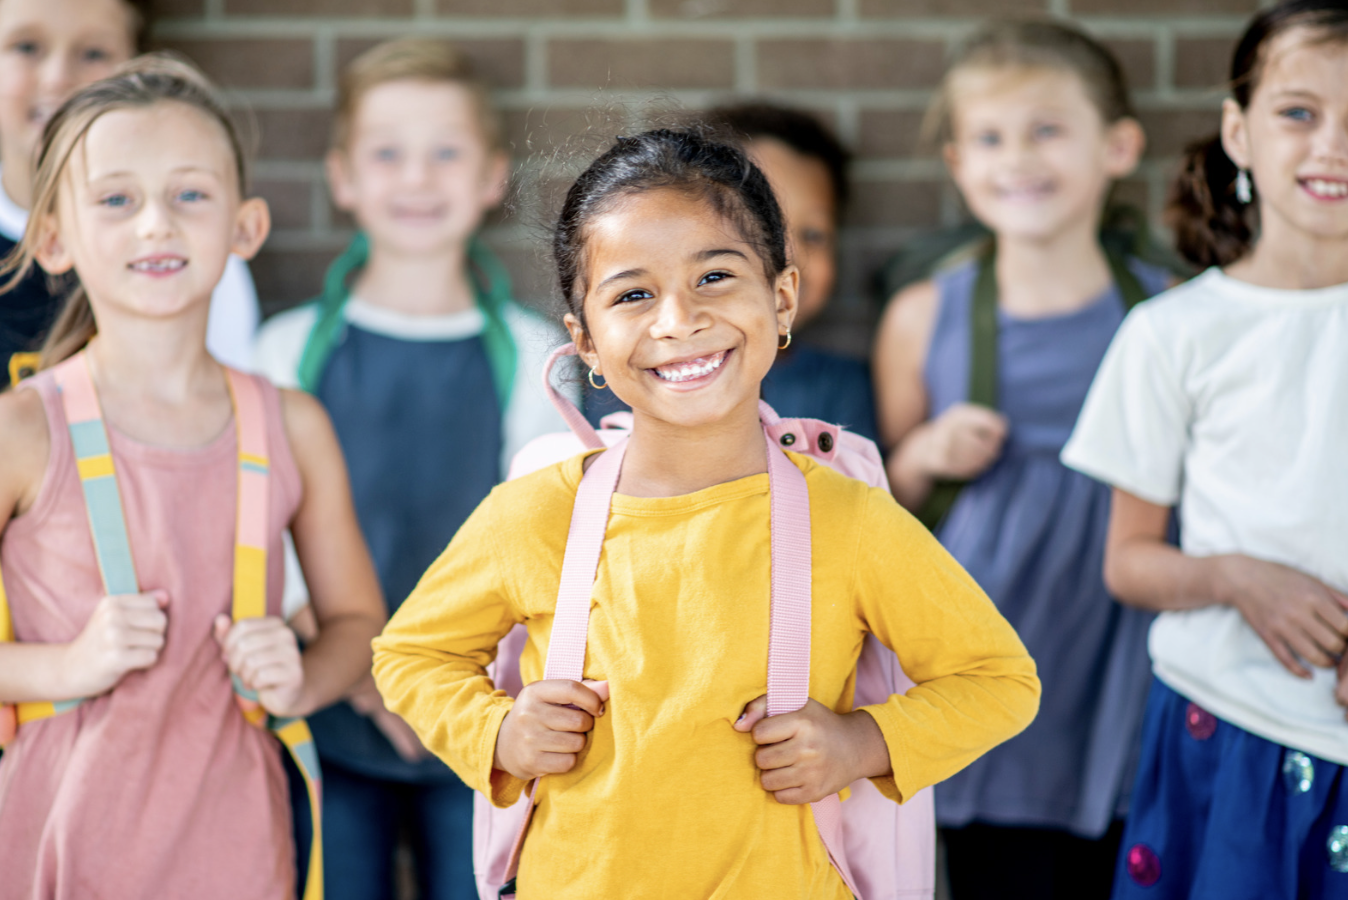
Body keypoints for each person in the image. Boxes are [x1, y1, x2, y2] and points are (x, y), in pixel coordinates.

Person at [371, 128, 1040, 899]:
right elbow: (409, 656)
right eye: (632, 295)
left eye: (715, 276)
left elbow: (997, 681)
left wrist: (862, 742)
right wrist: (498, 732)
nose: (677, 319)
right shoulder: (534, 515)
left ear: (780, 298)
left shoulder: (852, 522)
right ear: (586, 342)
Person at [0, 57, 385, 898]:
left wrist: (305, 674)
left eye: (189, 196)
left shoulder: (294, 425)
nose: (155, 226)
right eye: (115, 199)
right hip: (56, 840)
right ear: (55, 236)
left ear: (245, 227)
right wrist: (64, 667)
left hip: (238, 841)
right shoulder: (22, 430)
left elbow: (359, 621)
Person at [252, 38, 566, 900]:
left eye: (445, 152)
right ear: (343, 177)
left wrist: (442, 691)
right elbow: (258, 530)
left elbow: (543, 543)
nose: (417, 177)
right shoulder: (286, 351)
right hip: (325, 705)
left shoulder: (534, 357)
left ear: (492, 176)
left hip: (480, 715)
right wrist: (365, 679)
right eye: (388, 153)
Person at [872, 20, 1167, 900]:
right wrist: (925, 449)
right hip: (991, 630)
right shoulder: (926, 316)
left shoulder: (1169, 313)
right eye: (992, 139)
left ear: (1117, 147)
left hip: (1124, 633)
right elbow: (885, 501)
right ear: (959, 163)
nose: (1019, 160)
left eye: (1047, 130)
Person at [1061, 2, 1348, 897]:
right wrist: (1237, 577)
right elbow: (1129, 563)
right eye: (1299, 112)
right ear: (1240, 132)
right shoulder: (1173, 335)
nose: (1332, 145)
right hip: (1226, 733)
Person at [0, 0, 259, 388]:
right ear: (51, 241)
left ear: (138, 71)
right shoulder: (21, 426)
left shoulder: (201, 254)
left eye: (94, 53)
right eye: (26, 47)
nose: (57, 77)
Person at [583, 102, 878, 442]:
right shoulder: (634, 373)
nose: (789, 254)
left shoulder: (844, 383)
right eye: (769, 226)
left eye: (813, 234)